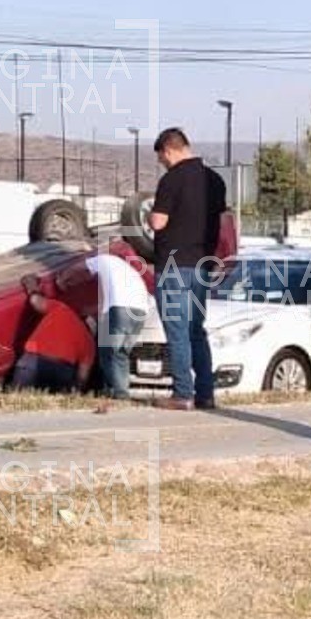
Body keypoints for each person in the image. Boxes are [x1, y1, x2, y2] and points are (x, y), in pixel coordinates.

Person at [148, 128, 226, 411]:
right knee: (196, 330)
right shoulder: (215, 180)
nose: (163, 163)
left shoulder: (172, 179)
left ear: (168, 150)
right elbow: (222, 222)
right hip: (202, 266)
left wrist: (148, 216)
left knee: (177, 330)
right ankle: (206, 393)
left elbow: (158, 222)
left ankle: (182, 393)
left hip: (173, 266)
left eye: (162, 158)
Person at [57, 253, 153, 400]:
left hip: (120, 309)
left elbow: (79, 267)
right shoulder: (126, 271)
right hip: (140, 312)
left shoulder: (103, 259)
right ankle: (121, 392)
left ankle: (116, 393)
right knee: (121, 353)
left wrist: (62, 279)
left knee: (108, 352)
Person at [10, 275, 95, 393]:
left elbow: (35, 302)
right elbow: (82, 378)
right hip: (61, 371)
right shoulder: (90, 343)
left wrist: (32, 287)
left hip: (32, 362)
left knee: (17, 399)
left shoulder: (63, 309)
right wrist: (74, 394)